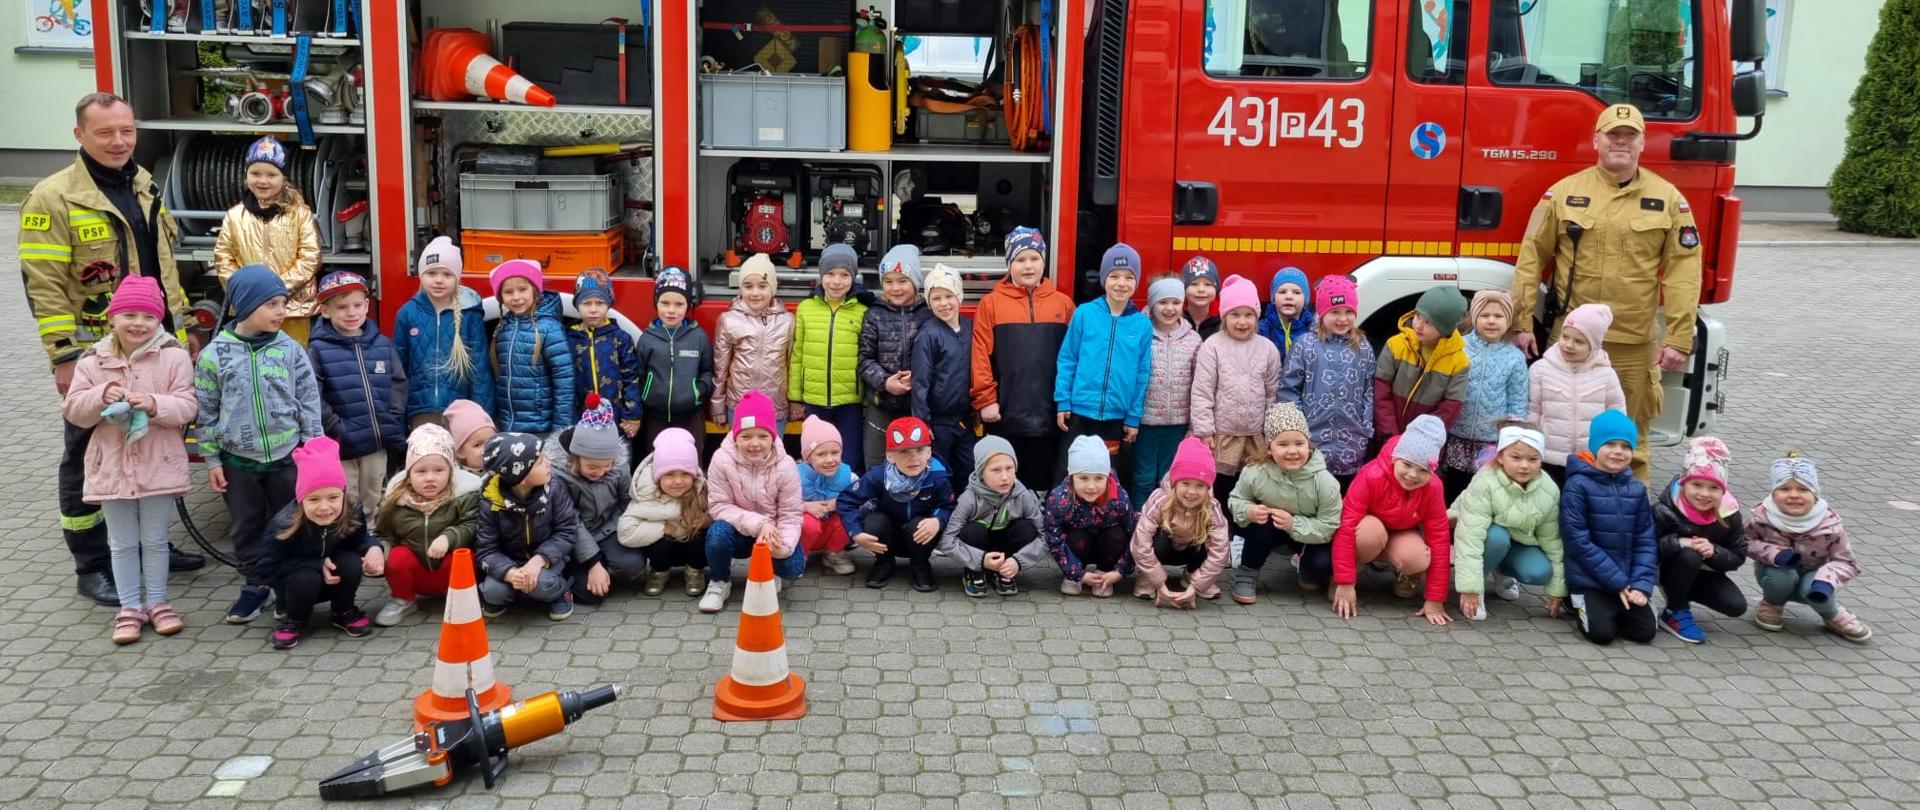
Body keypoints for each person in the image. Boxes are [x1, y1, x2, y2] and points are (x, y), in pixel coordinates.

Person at [20, 92, 197, 605]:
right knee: (86, 453)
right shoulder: (52, 199)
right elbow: (44, 285)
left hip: (154, 347)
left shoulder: (143, 185)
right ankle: (92, 561)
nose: (119, 142)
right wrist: (65, 355)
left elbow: (162, 270)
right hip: (97, 355)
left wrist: (182, 334)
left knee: (148, 444)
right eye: (105, 133)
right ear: (79, 135)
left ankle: (150, 546)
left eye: (126, 131)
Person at [1510, 103, 1703, 481]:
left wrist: (1680, 338)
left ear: (1642, 143)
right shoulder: (1564, 194)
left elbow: (1684, 272)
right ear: (1596, 140)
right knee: (1557, 436)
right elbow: (1531, 258)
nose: (1620, 141)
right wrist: (1521, 321)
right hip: (1570, 342)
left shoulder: (1667, 199)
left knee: (1630, 439)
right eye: (1612, 134)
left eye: (1629, 135)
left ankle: (1630, 525)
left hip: (1632, 344)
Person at [62, 276, 196, 643]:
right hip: (112, 467)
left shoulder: (174, 357)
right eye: (130, 315)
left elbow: (187, 406)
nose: (139, 324)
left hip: (158, 463)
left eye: (148, 317)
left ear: (160, 321)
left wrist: (155, 404)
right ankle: (129, 607)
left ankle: (157, 602)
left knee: (154, 539)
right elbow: (74, 410)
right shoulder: (91, 362)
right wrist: (101, 395)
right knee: (120, 542)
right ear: (112, 319)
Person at [196, 264, 325, 624]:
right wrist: (212, 460)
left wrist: (314, 451)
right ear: (243, 305)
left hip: (287, 457)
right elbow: (205, 412)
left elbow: (308, 402)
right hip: (238, 461)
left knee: (290, 523)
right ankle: (256, 585)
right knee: (246, 527)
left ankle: (288, 583)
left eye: (282, 303)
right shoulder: (214, 356)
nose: (281, 312)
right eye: (270, 304)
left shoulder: (291, 351)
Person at [256, 436, 386, 649]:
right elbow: (265, 569)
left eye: (333, 497)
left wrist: (373, 547)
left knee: (352, 563)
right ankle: (295, 619)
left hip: (333, 579)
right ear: (301, 499)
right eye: (314, 499)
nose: (324, 507)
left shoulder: (351, 511)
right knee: (306, 577)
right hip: (296, 585)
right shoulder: (284, 522)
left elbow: (359, 538)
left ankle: (343, 610)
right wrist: (315, 564)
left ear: (343, 495)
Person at [971, 227, 1073, 492]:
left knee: (1042, 482)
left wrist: (1068, 401)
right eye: (1020, 260)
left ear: (1044, 261)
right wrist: (986, 400)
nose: (1028, 266)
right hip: (1004, 414)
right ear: (1009, 264)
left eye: (1034, 258)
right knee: (1003, 483)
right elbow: (980, 355)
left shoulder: (1063, 304)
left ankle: (1038, 528)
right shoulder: (991, 304)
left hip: (1050, 414)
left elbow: (1074, 358)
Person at [1330, 414, 1453, 626]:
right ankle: (1350, 573)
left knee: (1418, 556)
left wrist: (1435, 599)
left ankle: (1409, 576)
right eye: (1407, 464)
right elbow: (1347, 526)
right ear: (1396, 458)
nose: (1413, 475)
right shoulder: (1371, 475)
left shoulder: (1433, 487)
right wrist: (1344, 581)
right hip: (1371, 530)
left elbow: (1440, 539)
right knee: (1369, 532)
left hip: (1402, 533)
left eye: (1422, 470)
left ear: (1432, 470)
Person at [307, 271, 407, 512]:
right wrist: (335, 426)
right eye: (342, 307)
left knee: (373, 490)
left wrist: (391, 417)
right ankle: (348, 536)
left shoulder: (381, 343)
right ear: (325, 311)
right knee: (346, 492)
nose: (351, 313)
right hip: (342, 443)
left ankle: (372, 533)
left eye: (357, 305)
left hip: (376, 440)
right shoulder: (317, 350)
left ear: (366, 306)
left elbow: (398, 382)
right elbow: (313, 394)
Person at [1054, 243, 1154, 478]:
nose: (1121, 283)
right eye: (1114, 276)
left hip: (1115, 417)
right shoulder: (1085, 314)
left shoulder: (1142, 325)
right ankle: (1060, 512)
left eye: (1129, 277)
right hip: (1079, 412)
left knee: (1107, 474)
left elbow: (1142, 373)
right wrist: (1063, 401)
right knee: (1069, 471)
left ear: (1137, 282)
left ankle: (1106, 515)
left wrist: (1133, 416)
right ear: (1104, 278)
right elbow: (1068, 358)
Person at [1745, 453, 1870, 642]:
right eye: (1785, 488)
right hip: (1776, 572)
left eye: (1803, 489)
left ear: (1815, 494)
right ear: (1773, 493)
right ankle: (1772, 604)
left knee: (1814, 587)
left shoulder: (1830, 525)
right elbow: (1744, 542)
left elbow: (1847, 562)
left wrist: (1827, 578)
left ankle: (1832, 614)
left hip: (1815, 576)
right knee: (1782, 576)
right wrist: (1775, 554)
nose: (1794, 495)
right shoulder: (1762, 517)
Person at [1449, 423, 1564, 622]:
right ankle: (1480, 586)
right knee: (1497, 537)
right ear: (1501, 456)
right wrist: (1470, 589)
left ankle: (1500, 571)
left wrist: (1557, 590)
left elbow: (1552, 539)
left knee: (1540, 571)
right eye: (1516, 457)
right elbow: (1471, 538)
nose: (1525, 465)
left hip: (1518, 541)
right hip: (1484, 537)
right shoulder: (1485, 482)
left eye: (1533, 459)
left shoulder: (1549, 489)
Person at [1227, 403, 1343, 604]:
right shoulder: (1255, 472)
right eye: (1283, 444)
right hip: (1270, 527)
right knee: (1259, 527)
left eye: (1299, 443)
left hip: (1308, 531)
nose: (1292, 451)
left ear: (1309, 444)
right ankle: (1248, 571)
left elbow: (1330, 525)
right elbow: (1235, 500)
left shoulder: (1325, 482)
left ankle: (1306, 567)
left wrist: (1293, 524)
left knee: (1322, 563)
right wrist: (1249, 510)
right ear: (1270, 448)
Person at [701, 391, 806, 612]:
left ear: (773, 436)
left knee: (793, 567)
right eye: (746, 436)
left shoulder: (786, 464)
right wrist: (758, 524)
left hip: (773, 531)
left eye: (763, 436)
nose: (755, 444)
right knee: (717, 534)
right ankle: (719, 581)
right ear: (735, 436)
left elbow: (791, 513)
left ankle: (771, 572)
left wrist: (783, 546)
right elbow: (719, 506)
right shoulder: (721, 459)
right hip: (737, 530)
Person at [1561, 410, 1658, 645]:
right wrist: (1617, 582)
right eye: (1610, 444)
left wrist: (1641, 586)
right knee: (1601, 633)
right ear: (1595, 447)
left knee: (1645, 632)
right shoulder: (1577, 485)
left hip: (1626, 580)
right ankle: (1575, 602)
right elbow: (1578, 541)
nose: (1618, 451)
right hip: (1590, 579)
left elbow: (1646, 540)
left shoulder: (1636, 489)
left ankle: (1619, 605)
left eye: (1625, 446)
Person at [213, 136, 321, 343]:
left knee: (291, 362)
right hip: (250, 310)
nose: (262, 181)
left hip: (292, 310)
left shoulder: (300, 214)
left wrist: (275, 292)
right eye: (255, 173)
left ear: (284, 178)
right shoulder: (234, 216)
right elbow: (223, 258)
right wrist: (246, 291)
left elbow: (311, 257)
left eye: (272, 174)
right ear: (246, 176)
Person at [372, 423, 481, 627]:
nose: (430, 477)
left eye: (439, 470)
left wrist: (448, 537)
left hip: (451, 573)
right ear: (409, 474)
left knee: (467, 555)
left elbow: (471, 524)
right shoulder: (397, 501)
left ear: (451, 471)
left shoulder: (465, 495)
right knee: (397, 556)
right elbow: (384, 534)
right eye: (421, 471)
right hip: (418, 573)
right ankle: (403, 599)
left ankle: (464, 600)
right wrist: (378, 552)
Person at [1190, 275, 1280, 507]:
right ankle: (1221, 532)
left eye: (1248, 314)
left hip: (1255, 436)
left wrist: (1272, 432)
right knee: (1221, 488)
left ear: (1257, 316)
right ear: (1224, 316)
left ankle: (1243, 534)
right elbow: (1202, 391)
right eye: (1235, 315)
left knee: (1252, 489)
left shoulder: (1267, 349)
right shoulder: (1212, 347)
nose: (1242, 321)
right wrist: (1204, 430)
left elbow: (1272, 393)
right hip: (1222, 435)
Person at [839, 416, 956, 592]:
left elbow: (949, 506)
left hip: (919, 538)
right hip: (888, 538)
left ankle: (921, 565)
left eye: (919, 450)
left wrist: (938, 520)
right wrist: (855, 533)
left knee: (921, 524)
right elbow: (846, 501)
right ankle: (884, 563)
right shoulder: (878, 477)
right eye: (904, 452)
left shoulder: (938, 478)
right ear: (890, 456)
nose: (913, 458)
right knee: (874, 521)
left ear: (929, 452)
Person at [474, 431, 581, 621]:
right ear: (520, 476)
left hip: (548, 560)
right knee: (493, 592)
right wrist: (509, 572)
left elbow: (567, 530)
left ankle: (560, 592)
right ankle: (513, 591)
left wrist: (539, 560)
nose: (548, 462)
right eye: (540, 461)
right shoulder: (491, 501)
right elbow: (486, 550)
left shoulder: (554, 487)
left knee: (542, 584)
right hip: (511, 560)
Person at [1650, 438, 1747, 643]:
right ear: (1684, 483)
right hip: (1666, 569)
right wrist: (1680, 543)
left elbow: (1739, 555)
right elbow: (1647, 549)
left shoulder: (1729, 513)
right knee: (1690, 555)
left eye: (1714, 488)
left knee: (1736, 606)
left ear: (1723, 490)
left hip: (1703, 571)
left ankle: (1683, 591)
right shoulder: (1665, 509)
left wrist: (1714, 551)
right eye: (1697, 484)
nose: (1704, 493)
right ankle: (1675, 611)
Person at [1280, 275, 1372, 489]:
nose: (1342, 319)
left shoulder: (1363, 347)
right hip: (1312, 439)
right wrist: (1298, 427)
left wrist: (1365, 426)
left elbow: (1369, 390)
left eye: (1349, 312)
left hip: (1351, 439)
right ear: (1322, 313)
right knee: (1311, 490)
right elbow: (1288, 389)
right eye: (1335, 312)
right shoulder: (1305, 345)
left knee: (1345, 495)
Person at [392, 236, 493, 428]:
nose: (439, 280)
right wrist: (397, 415)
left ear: (457, 278)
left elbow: (479, 369)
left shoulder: (469, 314)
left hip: (461, 412)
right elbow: (398, 368)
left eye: (447, 275)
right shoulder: (407, 313)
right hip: (420, 411)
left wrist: (483, 416)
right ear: (421, 276)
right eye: (432, 273)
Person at [790, 245, 870, 469]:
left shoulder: (862, 311)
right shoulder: (806, 308)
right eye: (830, 274)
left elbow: (865, 357)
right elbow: (797, 354)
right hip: (814, 400)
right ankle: (818, 498)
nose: (837, 281)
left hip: (849, 401)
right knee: (816, 453)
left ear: (853, 277)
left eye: (844, 275)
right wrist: (795, 397)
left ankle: (850, 500)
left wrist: (864, 398)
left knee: (850, 456)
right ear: (821, 276)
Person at [1528, 303, 1626, 486]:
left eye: (1579, 341)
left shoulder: (1606, 375)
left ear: (1595, 345)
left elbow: (1617, 415)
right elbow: (1532, 410)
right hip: (1549, 458)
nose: (1569, 345)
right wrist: (1530, 446)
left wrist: (1611, 450)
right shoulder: (1540, 370)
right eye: (1565, 337)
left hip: (1589, 459)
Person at [1445, 290, 1528, 500]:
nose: (1491, 321)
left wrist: (1512, 437)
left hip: (1490, 440)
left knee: (1483, 492)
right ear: (1474, 318)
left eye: (1498, 316)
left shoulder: (1514, 358)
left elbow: (1517, 401)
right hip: (1458, 435)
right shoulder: (1458, 347)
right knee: (1454, 487)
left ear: (1508, 321)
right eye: (1485, 315)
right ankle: (1450, 529)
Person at [1129, 437, 1230, 608]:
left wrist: (1195, 586)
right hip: (1163, 549)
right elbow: (1140, 542)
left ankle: (1193, 576)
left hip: (1191, 549)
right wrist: (1160, 584)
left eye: (1200, 486)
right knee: (1155, 540)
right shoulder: (1159, 499)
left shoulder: (1212, 506)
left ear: (1208, 487)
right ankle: (1148, 578)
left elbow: (1220, 551)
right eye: (1185, 483)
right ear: (1175, 482)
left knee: (1213, 543)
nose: (1192, 492)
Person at [940, 437, 1047, 597]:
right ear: (981, 472)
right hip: (979, 549)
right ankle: (974, 572)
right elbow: (946, 541)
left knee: (1026, 528)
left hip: (1007, 549)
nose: (1005, 477)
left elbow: (1046, 536)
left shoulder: (1022, 494)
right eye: (996, 470)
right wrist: (980, 560)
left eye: (1009, 468)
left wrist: (1019, 561)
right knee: (972, 531)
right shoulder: (969, 498)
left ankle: (1005, 571)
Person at [545, 396, 627, 604]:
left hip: (606, 528)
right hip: (570, 536)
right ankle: (572, 574)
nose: (600, 472)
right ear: (576, 457)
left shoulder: (619, 467)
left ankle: (604, 572)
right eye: (592, 467)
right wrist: (593, 562)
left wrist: (623, 527)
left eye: (606, 466)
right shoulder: (558, 475)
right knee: (590, 595)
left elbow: (626, 502)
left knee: (631, 564)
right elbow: (569, 520)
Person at [616, 427, 712, 599]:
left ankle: (695, 571)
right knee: (660, 541)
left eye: (685, 474)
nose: (678, 481)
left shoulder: (701, 490)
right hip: (664, 548)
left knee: (702, 534)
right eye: (669, 475)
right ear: (658, 476)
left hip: (691, 548)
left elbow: (718, 515)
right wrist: (664, 528)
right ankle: (659, 571)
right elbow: (625, 533)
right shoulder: (646, 493)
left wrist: (705, 521)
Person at [859, 244, 932, 470]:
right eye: (888, 281)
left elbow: (937, 357)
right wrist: (885, 382)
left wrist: (918, 377)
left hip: (918, 406)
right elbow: (864, 360)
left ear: (915, 282)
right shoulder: (874, 315)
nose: (895, 288)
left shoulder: (928, 315)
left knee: (916, 463)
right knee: (876, 464)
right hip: (881, 404)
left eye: (903, 281)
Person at [1134, 276, 1202, 507]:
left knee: (1170, 478)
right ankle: (1138, 522)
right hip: (1145, 422)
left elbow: (1199, 384)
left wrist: (1194, 424)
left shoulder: (1193, 339)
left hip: (1178, 423)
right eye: (1163, 302)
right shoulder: (1140, 333)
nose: (1169, 308)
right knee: (1143, 477)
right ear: (1152, 304)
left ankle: (1164, 523)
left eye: (1175, 302)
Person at [488, 260, 575, 435]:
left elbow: (565, 383)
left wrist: (561, 432)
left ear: (535, 289)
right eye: (508, 292)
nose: (516, 297)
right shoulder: (504, 327)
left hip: (541, 429)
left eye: (522, 289)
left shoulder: (550, 329)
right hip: (508, 427)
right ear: (500, 297)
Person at [1044, 436, 1136, 597]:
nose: (1091, 486)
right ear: (1071, 477)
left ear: (1107, 477)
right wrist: (1077, 573)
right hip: (1079, 547)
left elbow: (1134, 535)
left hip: (1107, 548)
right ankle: (1074, 576)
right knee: (1074, 536)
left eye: (1099, 478)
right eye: (1083, 478)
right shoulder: (1059, 498)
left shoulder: (1120, 498)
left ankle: (1104, 574)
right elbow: (1053, 538)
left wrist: (1121, 571)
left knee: (1117, 535)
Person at [711, 253, 794, 431]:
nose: (755, 293)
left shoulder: (788, 321)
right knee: (741, 454)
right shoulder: (728, 320)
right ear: (740, 288)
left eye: (762, 286)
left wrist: (794, 402)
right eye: (748, 286)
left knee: (773, 454)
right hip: (739, 405)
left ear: (773, 287)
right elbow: (720, 369)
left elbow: (792, 365)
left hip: (775, 407)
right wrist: (717, 403)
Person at [1374, 286, 1469, 439]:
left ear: (1445, 328)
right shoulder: (1396, 345)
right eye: (1418, 316)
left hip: (1425, 442)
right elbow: (1380, 392)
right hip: (1387, 436)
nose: (1418, 325)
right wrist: (1389, 435)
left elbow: (1450, 407)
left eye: (1428, 322)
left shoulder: (1458, 362)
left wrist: (1422, 438)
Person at [635, 266, 713, 453]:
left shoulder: (699, 337)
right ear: (656, 303)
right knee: (654, 460)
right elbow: (640, 374)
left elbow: (708, 371)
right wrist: (647, 395)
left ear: (688, 305)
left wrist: (697, 392)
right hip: (655, 416)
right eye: (665, 303)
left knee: (691, 460)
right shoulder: (647, 339)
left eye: (679, 304)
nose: (671, 310)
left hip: (690, 415)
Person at [911, 266, 975, 482]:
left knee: (969, 468)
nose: (944, 303)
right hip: (938, 422)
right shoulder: (928, 334)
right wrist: (922, 422)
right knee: (940, 471)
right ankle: (941, 512)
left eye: (949, 296)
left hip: (964, 419)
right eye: (936, 298)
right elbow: (920, 381)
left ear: (959, 296)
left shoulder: (970, 327)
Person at [566, 269, 642, 439]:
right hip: (580, 418)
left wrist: (633, 416)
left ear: (608, 304)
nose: (593, 309)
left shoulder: (621, 338)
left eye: (599, 303)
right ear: (577, 304)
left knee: (618, 459)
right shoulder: (568, 339)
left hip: (616, 419)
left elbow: (632, 379)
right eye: (586, 303)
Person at [797, 416, 858, 575]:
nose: (830, 460)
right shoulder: (795, 476)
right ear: (808, 457)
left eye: (835, 452)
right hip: (807, 531)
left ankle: (834, 552)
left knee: (850, 515)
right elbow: (779, 504)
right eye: (821, 454)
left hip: (831, 528)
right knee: (807, 523)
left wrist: (840, 502)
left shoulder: (848, 475)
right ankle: (799, 555)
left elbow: (864, 500)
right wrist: (805, 506)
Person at [1256, 265, 1314, 369]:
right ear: (1273, 298)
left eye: (1296, 292)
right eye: (1282, 292)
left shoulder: (1313, 330)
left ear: (1305, 299)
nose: (1289, 296)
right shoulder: (1262, 329)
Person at [446, 398, 495, 477]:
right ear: (460, 452)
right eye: (477, 445)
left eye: (491, 441)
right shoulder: (456, 480)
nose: (487, 448)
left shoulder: (504, 471)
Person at [1179, 256, 1222, 339]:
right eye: (1194, 284)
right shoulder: (1175, 315)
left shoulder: (1224, 317)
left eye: (1208, 284)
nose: (1201, 290)